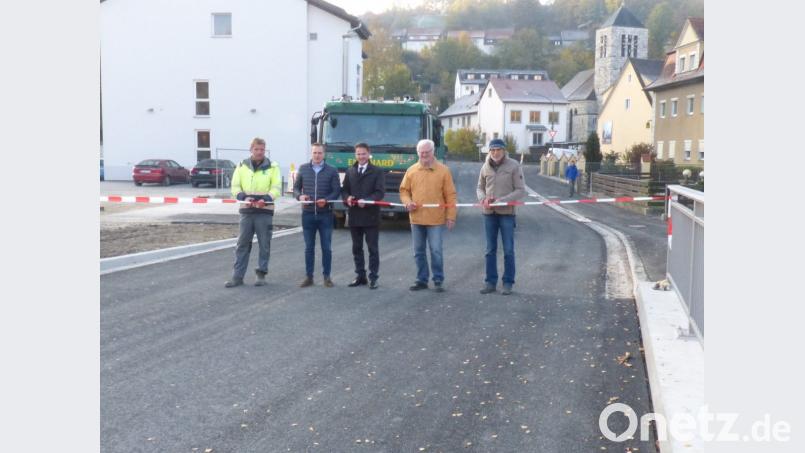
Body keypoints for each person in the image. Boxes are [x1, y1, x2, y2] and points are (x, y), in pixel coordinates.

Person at [399, 139, 457, 292]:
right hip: (416, 218)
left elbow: (450, 195)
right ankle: (421, 279)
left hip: (435, 219)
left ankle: (438, 280)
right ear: (418, 153)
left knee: (436, 250)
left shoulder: (444, 171)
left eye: (427, 152)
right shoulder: (411, 170)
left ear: (433, 152)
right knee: (418, 251)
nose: (424, 155)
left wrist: (451, 216)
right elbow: (404, 190)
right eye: (421, 153)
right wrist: (407, 202)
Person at [225, 137, 282, 288]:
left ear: (265, 150)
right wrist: (243, 197)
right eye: (256, 149)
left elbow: (276, 188)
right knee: (242, 244)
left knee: (264, 244)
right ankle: (237, 277)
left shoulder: (273, 167)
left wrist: (266, 198)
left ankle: (261, 274)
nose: (259, 152)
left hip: (264, 210)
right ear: (251, 150)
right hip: (246, 210)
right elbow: (235, 187)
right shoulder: (241, 166)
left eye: (262, 149)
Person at [477, 138, 526, 295]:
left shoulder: (514, 166)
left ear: (504, 150)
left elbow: (520, 190)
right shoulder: (485, 167)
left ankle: (508, 283)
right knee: (490, 249)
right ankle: (490, 282)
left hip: (506, 214)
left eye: (498, 149)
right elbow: (479, 187)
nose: (495, 152)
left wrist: (502, 201)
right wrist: (483, 199)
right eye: (492, 150)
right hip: (489, 214)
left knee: (508, 250)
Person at [293, 143, 341, 288]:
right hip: (307, 214)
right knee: (309, 248)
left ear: (324, 154)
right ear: (311, 153)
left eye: (320, 153)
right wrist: (299, 196)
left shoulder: (332, 170)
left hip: (325, 215)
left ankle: (327, 277)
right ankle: (309, 277)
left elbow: (336, 190)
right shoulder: (303, 169)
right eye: (315, 153)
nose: (317, 155)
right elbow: (295, 188)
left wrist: (326, 200)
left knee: (326, 247)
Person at [342, 143, 386, 289]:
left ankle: (373, 277)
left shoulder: (377, 171)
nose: (361, 156)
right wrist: (347, 198)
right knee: (356, 248)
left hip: (371, 216)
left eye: (363, 154)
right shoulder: (350, 171)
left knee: (372, 249)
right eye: (358, 154)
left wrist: (366, 201)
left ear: (369, 154)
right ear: (355, 155)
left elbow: (380, 193)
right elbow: (345, 190)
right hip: (354, 216)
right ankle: (360, 276)